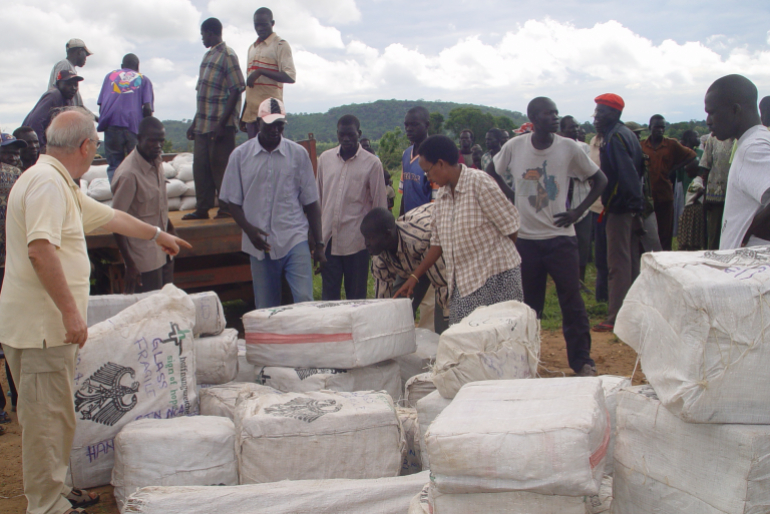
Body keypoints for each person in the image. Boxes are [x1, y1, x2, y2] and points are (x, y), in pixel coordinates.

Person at [0, 106, 190, 514]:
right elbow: (40, 249)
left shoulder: (57, 183)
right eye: (96, 145)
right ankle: (47, 505)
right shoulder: (48, 185)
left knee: (57, 417)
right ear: (86, 146)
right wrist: (71, 313)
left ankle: (58, 489)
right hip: (42, 331)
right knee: (45, 424)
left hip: (45, 330)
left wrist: (157, 234)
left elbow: (112, 217)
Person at [495, 98, 606, 376]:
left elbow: (600, 179)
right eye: (548, 113)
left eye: (556, 113)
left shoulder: (568, 148)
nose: (555, 118)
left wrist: (577, 211)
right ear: (533, 118)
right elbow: (491, 173)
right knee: (529, 306)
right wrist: (512, 199)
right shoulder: (514, 147)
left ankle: (582, 361)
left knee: (572, 301)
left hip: (560, 239)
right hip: (526, 241)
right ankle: (526, 362)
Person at [395, 135, 524, 325]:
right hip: (464, 283)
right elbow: (437, 244)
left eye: (427, 172)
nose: (428, 177)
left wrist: (494, 260)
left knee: (498, 341)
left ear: (440, 164)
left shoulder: (479, 183)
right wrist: (415, 277)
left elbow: (511, 228)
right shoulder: (443, 197)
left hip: (497, 280)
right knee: (465, 339)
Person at [220, 97, 325, 308]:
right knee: (266, 307)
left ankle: (305, 340)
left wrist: (319, 244)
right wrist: (249, 231)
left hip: (294, 238)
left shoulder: (297, 155)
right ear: (258, 122)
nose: (275, 129)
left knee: (305, 301)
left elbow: (311, 203)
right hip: (260, 245)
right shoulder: (240, 156)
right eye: (270, 124)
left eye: (280, 124)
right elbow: (232, 202)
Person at [317, 115, 387, 300]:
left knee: (356, 298)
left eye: (351, 135)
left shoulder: (372, 163)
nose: (346, 139)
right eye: (342, 135)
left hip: (357, 242)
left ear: (359, 134)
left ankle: (355, 330)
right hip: (329, 240)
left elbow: (379, 205)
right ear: (337, 134)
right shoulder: (325, 159)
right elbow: (319, 199)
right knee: (329, 298)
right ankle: (333, 329)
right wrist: (315, 240)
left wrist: (377, 243)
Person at [591, 94, 645, 333]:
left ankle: (616, 316)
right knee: (631, 261)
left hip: (620, 208)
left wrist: (632, 207)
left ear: (614, 114)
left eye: (600, 112)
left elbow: (628, 175)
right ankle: (632, 312)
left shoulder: (614, 138)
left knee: (618, 264)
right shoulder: (626, 134)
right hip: (627, 207)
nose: (595, 117)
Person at [184, 17, 246, 221]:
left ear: (211, 32)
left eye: (203, 35)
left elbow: (237, 90)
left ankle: (226, 208)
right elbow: (203, 94)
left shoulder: (228, 55)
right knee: (201, 167)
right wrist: (194, 122)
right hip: (203, 125)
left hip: (221, 126)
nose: (202, 39)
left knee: (221, 168)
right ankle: (202, 209)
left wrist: (222, 124)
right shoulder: (207, 57)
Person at [704, 74, 770, 249]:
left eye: (712, 112)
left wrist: (749, 232)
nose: (708, 121)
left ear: (735, 110)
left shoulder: (753, 148)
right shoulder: (754, 141)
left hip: (745, 272)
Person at [362, 204, 450, 334]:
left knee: (444, 323)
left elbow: (444, 286)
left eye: (370, 238)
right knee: (396, 308)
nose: (366, 244)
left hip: (441, 253)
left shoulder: (418, 240)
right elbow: (382, 300)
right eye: (365, 238)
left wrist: (447, 323)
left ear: (387, 235)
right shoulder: (379, 257)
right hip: (410, 263)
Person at [111, 117, 176, 293]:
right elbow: (115, 222)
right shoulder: (129, 174)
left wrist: (170, 229)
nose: (158, 146)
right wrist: (130, 264)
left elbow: (159, 203)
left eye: (161, 141)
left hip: (164, 252)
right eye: (152, 140)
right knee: (150, 312)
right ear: (139, 139)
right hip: (144, 260)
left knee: (167, 305)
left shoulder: (156, 161)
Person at [640, 114, 698, 250]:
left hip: (665, 194)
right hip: (647, 196)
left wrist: (674, 169)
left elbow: (692, 155)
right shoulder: (642, 145)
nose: (660, 130)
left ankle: (665, 258)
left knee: (665, 233)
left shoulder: (671, 144)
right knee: (646, 231)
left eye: (662, 127)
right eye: (657, 127)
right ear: (650, 127)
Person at [97, 53, 155, 183]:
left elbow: (101, 105)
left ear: (122, 66)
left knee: (114, 166)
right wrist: (146, 133)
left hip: (111, 123)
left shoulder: (110, 76)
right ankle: (134, 199)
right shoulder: (143, 79)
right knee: (136, 165)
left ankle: (118, 197)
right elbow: (147, 108)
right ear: (137, 67)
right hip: (132, 125)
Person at [240, 7, 296, 139]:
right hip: (252, 116)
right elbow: (250, 86)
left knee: (274, 154)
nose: (259, 28)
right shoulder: (252, 48)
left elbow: (290, 76)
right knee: (255, 156)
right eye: (256, 25)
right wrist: (243, 114)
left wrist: (260, 71)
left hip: (271, 115)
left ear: (272, 23)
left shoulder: (280, 45)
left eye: (263, 24)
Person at [0, 156, 23, 428]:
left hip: (11, 264)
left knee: (11, 333)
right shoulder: (19, 174)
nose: (15, 155)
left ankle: (16, 397)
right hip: (13, 263)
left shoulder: (17, 174)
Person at [559, 115, 594, 284]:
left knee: (583, 243)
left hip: (581, 203)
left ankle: (581, 281)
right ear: (561, 131)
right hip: (562, 204)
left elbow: (584, 174)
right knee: (564, 247)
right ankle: (567, 280)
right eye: (570, 128)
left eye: (575, 127)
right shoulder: (556, 149)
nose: (574, 130)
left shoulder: (584, 148)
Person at [23, 70, 82, 153]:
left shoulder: (67, 99)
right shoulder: (54, 95)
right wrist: (42, 148)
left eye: (75, 85)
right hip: (30, 146)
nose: (73, 88)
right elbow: (36, 122)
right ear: (58, 83)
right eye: (69, 84)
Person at [699, 133, 734, 249]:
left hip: (736, 197)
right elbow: (706, 167)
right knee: (714, 235)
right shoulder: (713, 139)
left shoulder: (742, 138)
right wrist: (705, 196)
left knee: (733, 235)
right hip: (715, 197)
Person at [47, 39, 91, 108]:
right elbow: (58, 92)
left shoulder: (70, 68)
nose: (86, 58)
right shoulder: (64, 64)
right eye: (86, 55)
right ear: (80, 51)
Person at [677, 166, 705, 251]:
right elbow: (702, 190)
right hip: (691, 208)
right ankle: (690, 245)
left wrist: (694, 199)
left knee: (691, 229)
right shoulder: (696, 182)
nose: (687, 174)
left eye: (688, 172)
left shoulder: (696, 181)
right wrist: (695, 199)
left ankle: (691, 245)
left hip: (691, 208)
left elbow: (701, 190)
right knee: (691, 229)